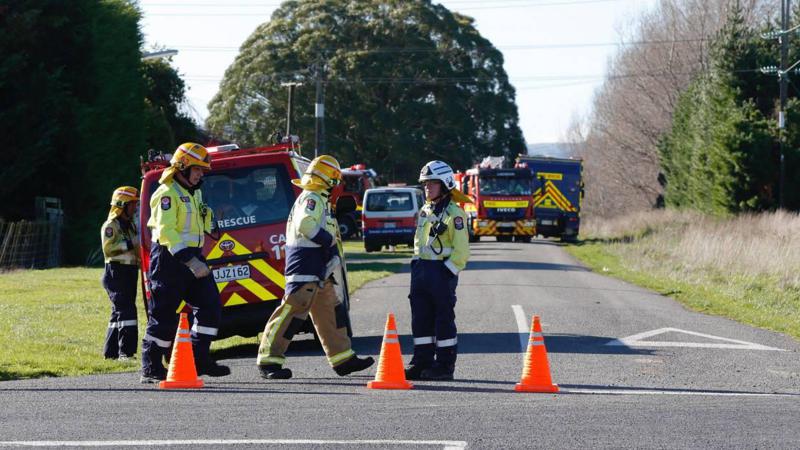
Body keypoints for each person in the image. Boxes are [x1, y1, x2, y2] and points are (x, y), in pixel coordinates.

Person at [256, 155, 374, 379]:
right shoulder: (311, 198)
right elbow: (305, 225)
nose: (337, 184)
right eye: (335, 179)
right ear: (329, 179)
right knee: (293, 310)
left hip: (318, 266)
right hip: (305, 263)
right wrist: (327, 241)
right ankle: (269, 360)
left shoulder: (318, 199)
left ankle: (343, 359)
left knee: (330, 310)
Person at [140, 142, 230, 383]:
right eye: (197, 169)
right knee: (164, 315)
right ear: (183, 166)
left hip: (194, 256)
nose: (201, 174)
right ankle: (150, 367)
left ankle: (199, 359)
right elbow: (168, 232)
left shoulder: (195, 191)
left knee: (210, 307)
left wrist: (211, 219)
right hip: (170, 259)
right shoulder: (166, 193)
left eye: (203, 169)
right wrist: (191, 262)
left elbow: (198, 221)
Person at [405, 160, 471, 381]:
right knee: (420, 318)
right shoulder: (425, 210)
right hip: (421, 271)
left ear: (445, 184)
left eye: (432, 184)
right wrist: (416, 264)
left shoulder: (456, 214)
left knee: (443, 320)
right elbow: (418, 242)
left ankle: (444, 365)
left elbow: (461, 252)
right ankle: (421, 361)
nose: (427, 188)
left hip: (441, 272)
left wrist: (447, 272)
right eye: (425, 184)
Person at [100, 186, 141, 360]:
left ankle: (110, 353)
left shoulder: (130, 225)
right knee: (127, 311)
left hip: (129, 271)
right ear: (122, 205)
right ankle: (126, 352)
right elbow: (108, 250)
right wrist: (131, 244)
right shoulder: (111, 226)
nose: (135, 207)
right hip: (116, 272)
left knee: (118, 312)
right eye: (132, 204)